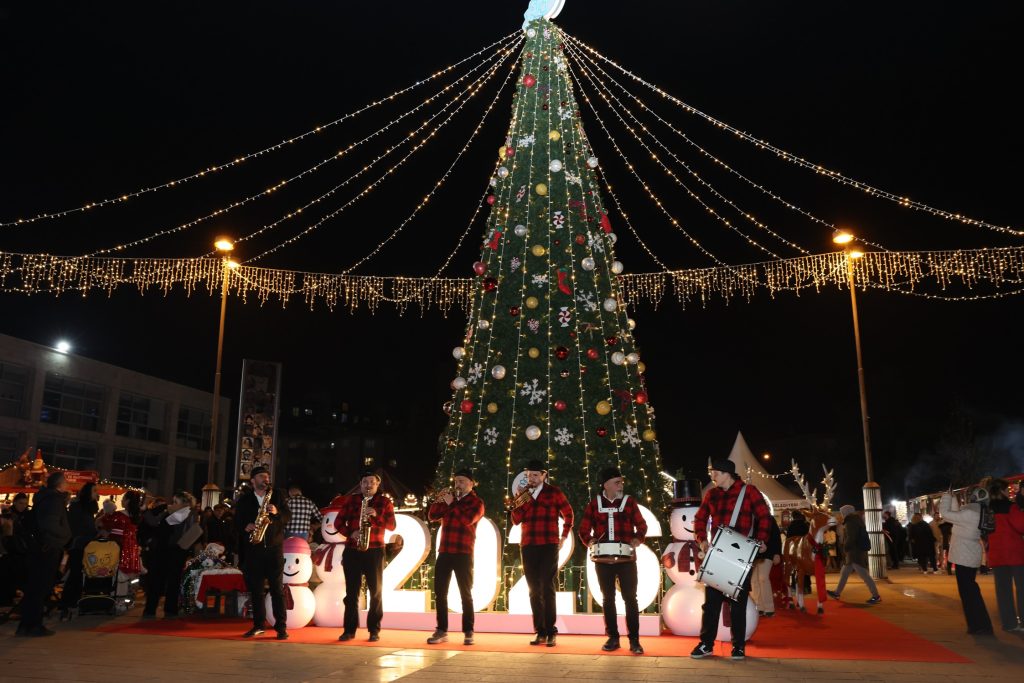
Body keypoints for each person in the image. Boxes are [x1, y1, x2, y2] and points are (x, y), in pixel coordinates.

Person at [690, 459, 771, 661]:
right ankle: (706, 644)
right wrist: (702, 540)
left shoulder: (749, 491)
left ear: (727, 473)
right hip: (718, 553)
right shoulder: (712, 494)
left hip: (741, 554)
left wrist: (761, 540)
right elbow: (699, 519)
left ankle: (739, 646)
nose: (712, 476)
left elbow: (764, 516)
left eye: (715, 472)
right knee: (711, 604)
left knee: (738, 603)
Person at [578, 467, 647, 654]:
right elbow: (583, 529)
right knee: (608, 599)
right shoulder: (594, 504)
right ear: (606, 484)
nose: (621, 485)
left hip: (626, 560)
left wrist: (637, 538)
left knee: (630, 599)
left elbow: (642, 525)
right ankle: (613, 638)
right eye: (617, 482)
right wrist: (590, 540)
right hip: (603, 561)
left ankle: (634, 640)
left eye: (621, 482)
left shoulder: (629, 502)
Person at [511, 459, 574, 647]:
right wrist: (520, 502)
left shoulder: (554, 493)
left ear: (544, 475)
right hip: (528, 544)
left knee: (547, 586)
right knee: (533, 589)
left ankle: (550, 631)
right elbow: (515, 520)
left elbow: (568, 513)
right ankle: (540, 631)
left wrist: (564, 536)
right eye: (529, 475)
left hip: (549, 544)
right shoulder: (523, 494)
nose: (532, 478)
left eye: (535, 475)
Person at [426, 467, 485, 646]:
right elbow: (432, 516)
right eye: (456, 480)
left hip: (463, 552)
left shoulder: (476, 502)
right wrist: (439, 501)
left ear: (471, 484)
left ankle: (468, 631)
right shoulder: (449, 499)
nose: (457, 484)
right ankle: (441, 630)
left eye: (462, 481)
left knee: (465, 593)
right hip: (445, 551)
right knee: (440, 593)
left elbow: (467, 520)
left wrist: (452, 504)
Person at [337, 470, 396, 642]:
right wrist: (351, 532)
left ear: (378, 484)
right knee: (351, 593)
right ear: (360, 484)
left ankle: (374, 630)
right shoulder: (352, 500)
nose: (368, 485)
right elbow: (338, 522)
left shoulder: (385, 502)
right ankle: (349, 630)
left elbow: (392, 525)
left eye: (372, 482)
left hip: (375, 550)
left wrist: (376, 515)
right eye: (365, 482)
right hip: (353, 550)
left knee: (375, 592)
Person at [235, 466, 291, 639]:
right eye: (261, 476)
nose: (265, 479)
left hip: (274, 549)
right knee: (256, 591)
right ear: (253, 480)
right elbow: (236, 523)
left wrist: (276, 512)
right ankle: (258, 625)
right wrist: (246, 526)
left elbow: (287, 517)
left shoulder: (277, 495)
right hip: (254, 549)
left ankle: (281, 627)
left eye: (267, 476)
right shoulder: (244, 500)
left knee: (277, 590)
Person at [17, 472, 71, 636]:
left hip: (41, 548)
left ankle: (26, 624)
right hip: (48, 548)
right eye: (66, 482)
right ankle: (33, 624)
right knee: (41, 588)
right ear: (59, 485)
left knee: (35, 587)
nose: (68, 484)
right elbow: (50, 524)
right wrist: (65, 536)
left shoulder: (44, 498)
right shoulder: (54, 500)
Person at [940, 488, 993, 635]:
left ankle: (979, 625)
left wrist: (945, 496)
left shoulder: (970, 513)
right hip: (969, 554)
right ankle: (979, 625)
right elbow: (956, 515)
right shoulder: (978, 512)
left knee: (969, 593)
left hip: (964, 555)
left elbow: (945, 514)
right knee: (970, 591)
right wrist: (953, 498)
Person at [142, 490, 196, 619]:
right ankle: (152, 610)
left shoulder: (188, 515)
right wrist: (147, 510)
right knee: (158, 580)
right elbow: (153, 522)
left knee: (172, 581)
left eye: (175, 502)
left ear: (184, 503)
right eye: (172, 501)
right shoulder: (170, 513)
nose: (172, 504)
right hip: (164, 550)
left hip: (175, 552)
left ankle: (169, 610)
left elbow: (190, 534)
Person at [983, 478, 1024, 632]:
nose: (1009, 492)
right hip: (1015, 553)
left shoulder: (987, 508)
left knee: (1003, 590)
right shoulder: (1010, 507)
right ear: (1001, 491)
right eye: (1007, 489)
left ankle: (1009, 623)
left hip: (996, 553)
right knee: (1022, 588)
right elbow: (1021, 526)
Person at [826, 504, 882, 605]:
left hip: (854, 553)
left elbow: (851, 537)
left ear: (845, 512)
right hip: (854, 552)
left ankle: (876, 596)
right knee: (844, 573)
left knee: (864, 575)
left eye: (842, 512)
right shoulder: (856, 520)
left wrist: (845, 547)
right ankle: (837, 593)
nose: (841, 514)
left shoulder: (850, 522)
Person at [60, 481, 99, 618]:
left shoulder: (89, 508)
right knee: (75, 574)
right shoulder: (77, 506)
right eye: (94, 491)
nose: (97, 493)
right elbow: (75, 526)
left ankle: (73, 601)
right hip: (78, 545)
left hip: (86, 545)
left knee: (78, 574)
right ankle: (67, 602)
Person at [751, 514, 782, 616]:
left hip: (768, 552)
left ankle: (769, 608)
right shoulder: (749, 518)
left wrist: (777, 553)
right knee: (754, 580)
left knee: (763, 578)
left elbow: (776, 536)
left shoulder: (769, 518)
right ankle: (759, 606)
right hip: (753, 553)